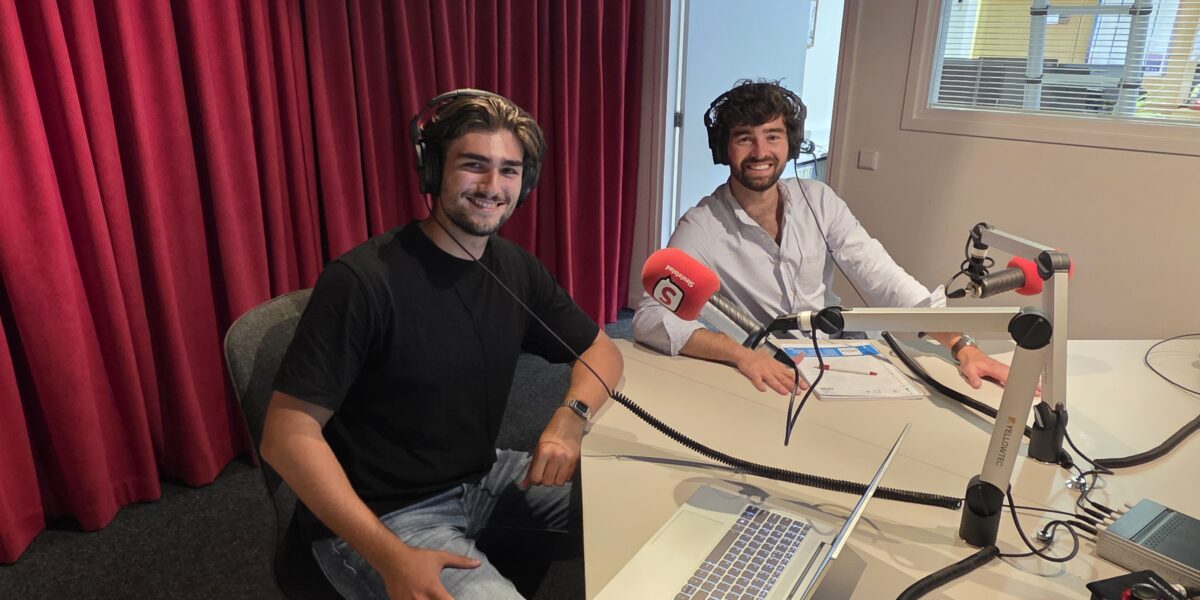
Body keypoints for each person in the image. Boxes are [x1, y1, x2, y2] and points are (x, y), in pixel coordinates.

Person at [261, 89, 623, 600]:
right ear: (432, 170)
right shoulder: (362, 281)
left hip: (483, 476)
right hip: (386, 516)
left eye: (509, 170)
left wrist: (571, 417)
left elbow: (603, 351)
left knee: (635, 506)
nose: (492, 187)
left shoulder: (515, 268)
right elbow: (286, 436)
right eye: (474, 165)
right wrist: (391, 557)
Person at [633, 79, 1009, 395]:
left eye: (773, 136)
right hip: (767, 368)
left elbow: (883, 278)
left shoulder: (819, 200)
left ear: (791, 144)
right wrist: (741, 354)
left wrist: (961, 345)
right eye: (745, 139)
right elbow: (651, 317)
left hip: (837, 356)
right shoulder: (702, 225)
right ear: (724, 149)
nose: (761, 152)